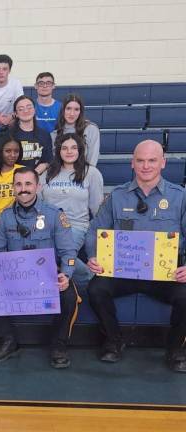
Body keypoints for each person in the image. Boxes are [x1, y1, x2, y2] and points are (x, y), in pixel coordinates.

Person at [85, 140, 186, 373]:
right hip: (124, 271)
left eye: (152, 160)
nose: (146, 166)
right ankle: (114, 339)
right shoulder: (117, 196)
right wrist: (93, 256)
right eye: (140, 160)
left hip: (166, 272)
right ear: (132, 163)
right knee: (96, 289)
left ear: (163, 163)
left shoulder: (180, 197)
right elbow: (94, 230)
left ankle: (176, 348)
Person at [0, 166, 79, 369]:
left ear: (38, 186)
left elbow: (69, 253)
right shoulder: (6, 217)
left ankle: (58, 345)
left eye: (28, 184)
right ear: (13, 188)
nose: (23, 188)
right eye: (18, 184)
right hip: (15, 277)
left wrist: (66, 275)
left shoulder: (54, 215)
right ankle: (7, 341)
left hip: (47, 278)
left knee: (69, 295)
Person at [40, 133, 103, 288]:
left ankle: (86, 276)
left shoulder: (91, 173)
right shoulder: (48, 173)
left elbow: (96, 208)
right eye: (65, 148)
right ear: (58, 151)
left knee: (60, 254)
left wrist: (96, 236)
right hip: (48, 226)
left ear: (80, 150)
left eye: (74, 148)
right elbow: (38, 203)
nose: (69, 152)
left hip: (75, 226)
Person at [52, 94, 100, 167]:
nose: (72, 113)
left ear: (80, 112)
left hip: (85, 174)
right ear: (63, 110)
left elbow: (92, 160)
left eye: (76, 109)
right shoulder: (55, 133)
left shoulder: (91, 129)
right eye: (68, 108)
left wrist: (86, 175)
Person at [10, 95, 53, 174]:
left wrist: (33, 175)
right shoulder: (10, 135)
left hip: (38, 177)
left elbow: (47, 160)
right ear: (16, 114)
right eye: (21, 109)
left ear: (34, 110)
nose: (26, 111)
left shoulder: (44, 134)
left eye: (29, 107)